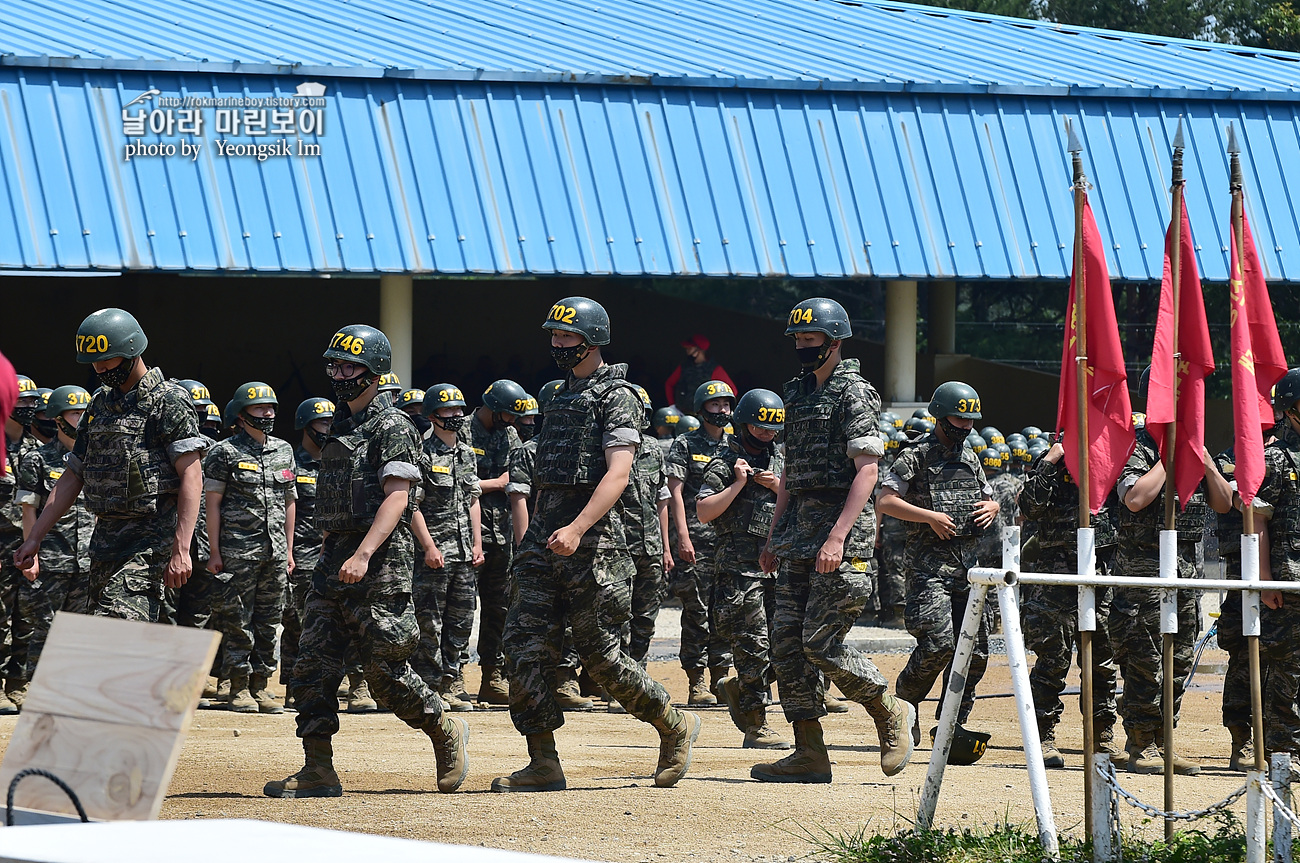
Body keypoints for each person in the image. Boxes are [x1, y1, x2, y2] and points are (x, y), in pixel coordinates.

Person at [492, 297, 700, 793]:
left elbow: (619, 472)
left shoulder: (619, 395)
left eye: (565, 337)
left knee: (602, 658)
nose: (556, 344)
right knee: (522, 649)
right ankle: (543, 759)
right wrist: (540, 535)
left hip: (595, 542)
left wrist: (579, 528)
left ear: (591, 340)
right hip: (545, 540)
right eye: (554, 337)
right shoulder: (559, 397)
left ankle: (671, 724)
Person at [265, 324, 468, 798]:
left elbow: (398, 498)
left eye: (349, 365)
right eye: (333, 364)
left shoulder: (393, 426)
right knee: (312, 665)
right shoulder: (340, 422)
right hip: (333, 559)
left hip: (377, 563)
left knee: (384, 672)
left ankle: (443, 729)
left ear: (374, 370)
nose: (339, 373)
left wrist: (363, 552)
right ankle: (318, 768)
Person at [753, 297, 912, 784]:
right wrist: (774, 535)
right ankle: (809, 751)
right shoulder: (796, 395)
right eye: (798, 339)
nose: (803, 346)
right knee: (783, 642)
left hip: (840, 536)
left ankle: (887, 708)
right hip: (798, 531)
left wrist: (838, 537)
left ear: (835, 341)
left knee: (820, 643)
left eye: (811, 339)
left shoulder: (854, 393)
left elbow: (867, 472)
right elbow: (791, 476)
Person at [16, 309, 206, 623]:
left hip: (148, 541)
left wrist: (181, 548)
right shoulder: (99, 404)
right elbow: (74, 474)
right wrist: (35, 537)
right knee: (106, 634)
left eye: (109, 359)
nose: (100, 368)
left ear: (132, 350)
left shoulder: (167, 400)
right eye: (94, 362)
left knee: (118, 624)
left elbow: (192, 474)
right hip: (104, 542)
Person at [1113, 366, 1230, 775]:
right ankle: (1140, 747)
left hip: (1186, 578)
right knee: (1146, 662)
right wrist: (1169, 457)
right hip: (1144, 579)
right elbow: (1134, 498)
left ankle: (1166, 742)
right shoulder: (1138, 447)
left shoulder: (1194, 447)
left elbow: (1224, 503)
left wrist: (1205, 462)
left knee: (1178, 663)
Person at [878, 381, 998, 747]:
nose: (964, 427)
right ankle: (905, 704)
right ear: (940, 416)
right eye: (958, 420)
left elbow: (987, 495)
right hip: (930, 570)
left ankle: (951, 723)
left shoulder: (971, 456)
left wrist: (992, 507)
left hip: (969, 569)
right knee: (939, 644)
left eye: (970, 421)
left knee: (975, 652)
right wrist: (928, 516)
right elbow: (885, 500)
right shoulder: (915, 455)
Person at [1018, 439, 1123, 768]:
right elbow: (1030, 506)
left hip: (1100, 573)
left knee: (1102, 663)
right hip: (1058, 576)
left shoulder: (1110, 457)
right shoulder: (1050, 463)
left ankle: (1102, 736)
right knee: (1053, 660)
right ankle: (1043, 736)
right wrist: (1051, 460)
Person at [697, 388, 788, 750]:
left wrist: (777, 485)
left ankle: (739, 689)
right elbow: (704, 511)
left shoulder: (780, 460)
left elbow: (795, 502)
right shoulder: (724, 462)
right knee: (753, 646)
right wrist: (738, 484)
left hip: (778, 567)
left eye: (772, 428)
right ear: (743, 424)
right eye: (759, 427)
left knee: (785, 647)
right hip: (738, 569)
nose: (766, 434)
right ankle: (756, 725)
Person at [204, 382, 297, 715]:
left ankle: (261, 685)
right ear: (242, 415)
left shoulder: (284, 450)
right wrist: (214, 551)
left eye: (271, 408)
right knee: (237, 620)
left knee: (269, 621)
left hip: (274, 553)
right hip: (237, 551)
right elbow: (211, 504)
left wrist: (288, 550)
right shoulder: (224, 452)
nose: (268, 414)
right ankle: (238, 687)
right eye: (260, 409)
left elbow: (289, 502)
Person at [14, 385, 94, 683]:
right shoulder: (37, 459)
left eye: (87, 413)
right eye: (75, 413)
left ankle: (71, 696)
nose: (83, 419)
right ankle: (37, 694)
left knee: (83, 634)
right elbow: (28, 511)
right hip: (51, 559)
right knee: (45, 629)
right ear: (58, 419)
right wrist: (31, 554)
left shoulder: (99, 460)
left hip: (88, 562)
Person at [411, 383, 484, 712]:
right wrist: (428, 546)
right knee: (430, 620)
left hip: (463, 552)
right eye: (448, 411)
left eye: (459, 410)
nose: (456, 416)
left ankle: (454, 680)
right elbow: (411, 506)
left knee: (461, 619)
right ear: (432, 416)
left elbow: (472, 500)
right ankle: (429, 682)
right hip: (434, 554)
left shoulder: (467, 453)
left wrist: (477, 543)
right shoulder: (422, 454)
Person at [666, 379, 736, 705]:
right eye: (715, 404)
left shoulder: (737, 445)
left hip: (728, 541)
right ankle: (696, 680)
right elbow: (676, 494)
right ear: (701, 408)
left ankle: (721, 676)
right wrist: (682, 535)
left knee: (725, 610)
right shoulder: (685, 443)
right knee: (696, 610)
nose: (722, 410)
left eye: (726, 404)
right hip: (695, 539)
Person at [470, 379, 528, 705]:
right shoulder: (461, 431)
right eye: (506, 415)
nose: (511, 422)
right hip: (465, 535)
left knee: (498, 609)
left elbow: (517, 482)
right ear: (492, 409)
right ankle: (441, 678)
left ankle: (492, 676)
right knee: (456, 609)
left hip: (501, 534)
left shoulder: (510, 435)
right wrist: (495, 483)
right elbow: (452, 481)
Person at [1254, 368, 1300, 774]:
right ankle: (1283, 753)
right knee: (1285, 669)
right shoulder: (1275, 457)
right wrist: (1265, 578)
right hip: (1289, 580)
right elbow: (1258, 519)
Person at [280, 397, 336, 711]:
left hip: (334, 553)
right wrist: (288, 552)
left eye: (330, 422)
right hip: (302, 553)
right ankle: (293, 684)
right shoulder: (292, 462)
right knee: (298, 623)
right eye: (322, 422)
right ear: (305, 424)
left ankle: (338, 684)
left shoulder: (338, 460)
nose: (327, 428)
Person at [1, 374, 42, 707]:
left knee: (26, 617)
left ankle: (17, 682)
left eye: (31, 401)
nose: (28, 407)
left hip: (26, 548)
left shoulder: (37, 450)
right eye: (21, 401)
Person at [665, 334, 737, 417]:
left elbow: (733, 391)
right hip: (683, 414)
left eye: (690, 348)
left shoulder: (714, 369)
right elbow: (669, 384)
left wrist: (717, 408)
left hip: (703, 417)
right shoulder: (683, 366)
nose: (687, 350)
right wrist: (672, 406)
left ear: (699, 350)